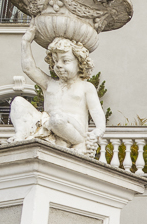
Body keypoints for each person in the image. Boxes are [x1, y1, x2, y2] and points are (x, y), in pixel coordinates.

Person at [10, 27, 105, 155]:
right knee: (18, 102)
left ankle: (77, 143)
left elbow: (97, 114)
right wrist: (25, 43)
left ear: (80, 63)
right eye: (55, 61)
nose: (59, 65)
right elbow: (29, 68)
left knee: (56, 118)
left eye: (65, 61)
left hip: (73, 131)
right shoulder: (49, 84)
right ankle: (20, 138)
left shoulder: (86, 87)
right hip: (47, 126)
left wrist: (96, 133)